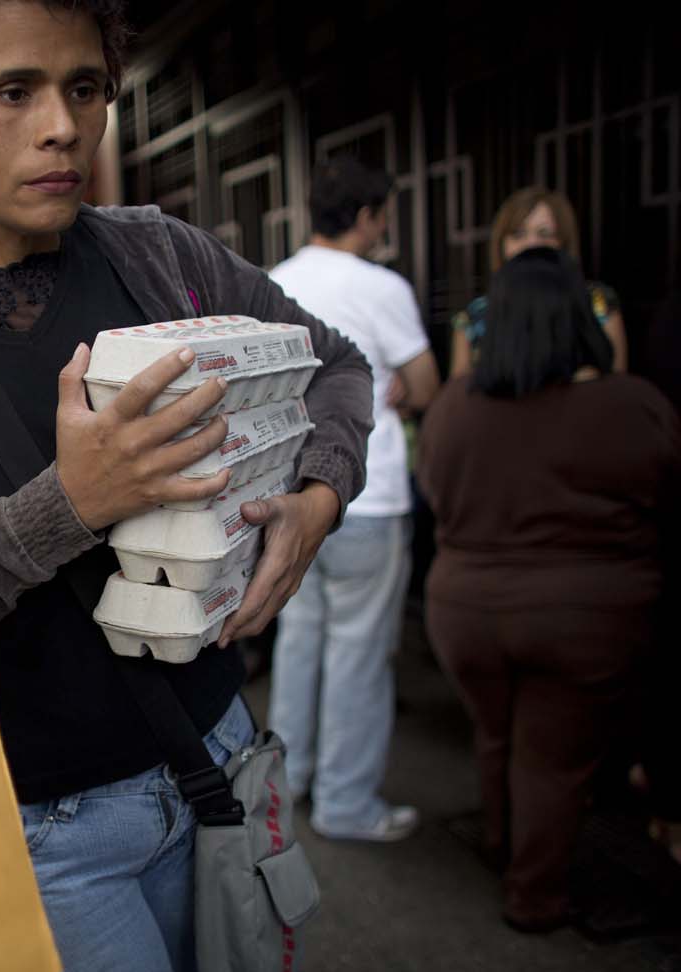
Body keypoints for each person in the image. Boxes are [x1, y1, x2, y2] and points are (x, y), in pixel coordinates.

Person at [0, 2, 373, 969]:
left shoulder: (158, 252)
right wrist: (72, 503)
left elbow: (339, 365)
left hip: (217, 757)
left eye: (84, 88)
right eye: (14, 91)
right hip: (40, 831)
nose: (63, 126)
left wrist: (318, 499)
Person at [419, 247, 679, 932]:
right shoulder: (631, 406)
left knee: (498, 734)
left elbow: (435, 497)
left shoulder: (452, 411)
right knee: (553, 761)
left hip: (464, 614)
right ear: (579, 318)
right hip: (584, 619)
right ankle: (533, 899)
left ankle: (503, 845)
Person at [266, 156, 440, 842]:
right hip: (366, 494)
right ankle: (345, 802)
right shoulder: (382, 286)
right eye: (383, 213)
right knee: (359, 652)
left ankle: (288, 780)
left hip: (290, 493)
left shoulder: (276, 280)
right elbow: (425, 384)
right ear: (368, 215)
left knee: (300, 636)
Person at [449, 186, 627, 376]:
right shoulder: (473, 317)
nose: (531, 245)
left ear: (563, 243)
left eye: (544, 234)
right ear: (502, 245)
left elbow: (616, 386)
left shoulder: (598, 303)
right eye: (518, 235)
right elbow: (460, 392)